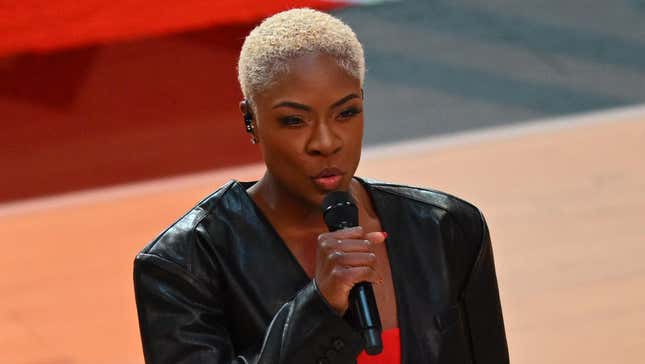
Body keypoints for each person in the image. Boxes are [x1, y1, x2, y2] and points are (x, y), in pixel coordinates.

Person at [133, 8, 509, 364]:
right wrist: (318, 307)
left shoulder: (447, 229)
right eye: (295, 120)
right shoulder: (181, 265)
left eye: (346, 113)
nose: (326, 142)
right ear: (251, 120)